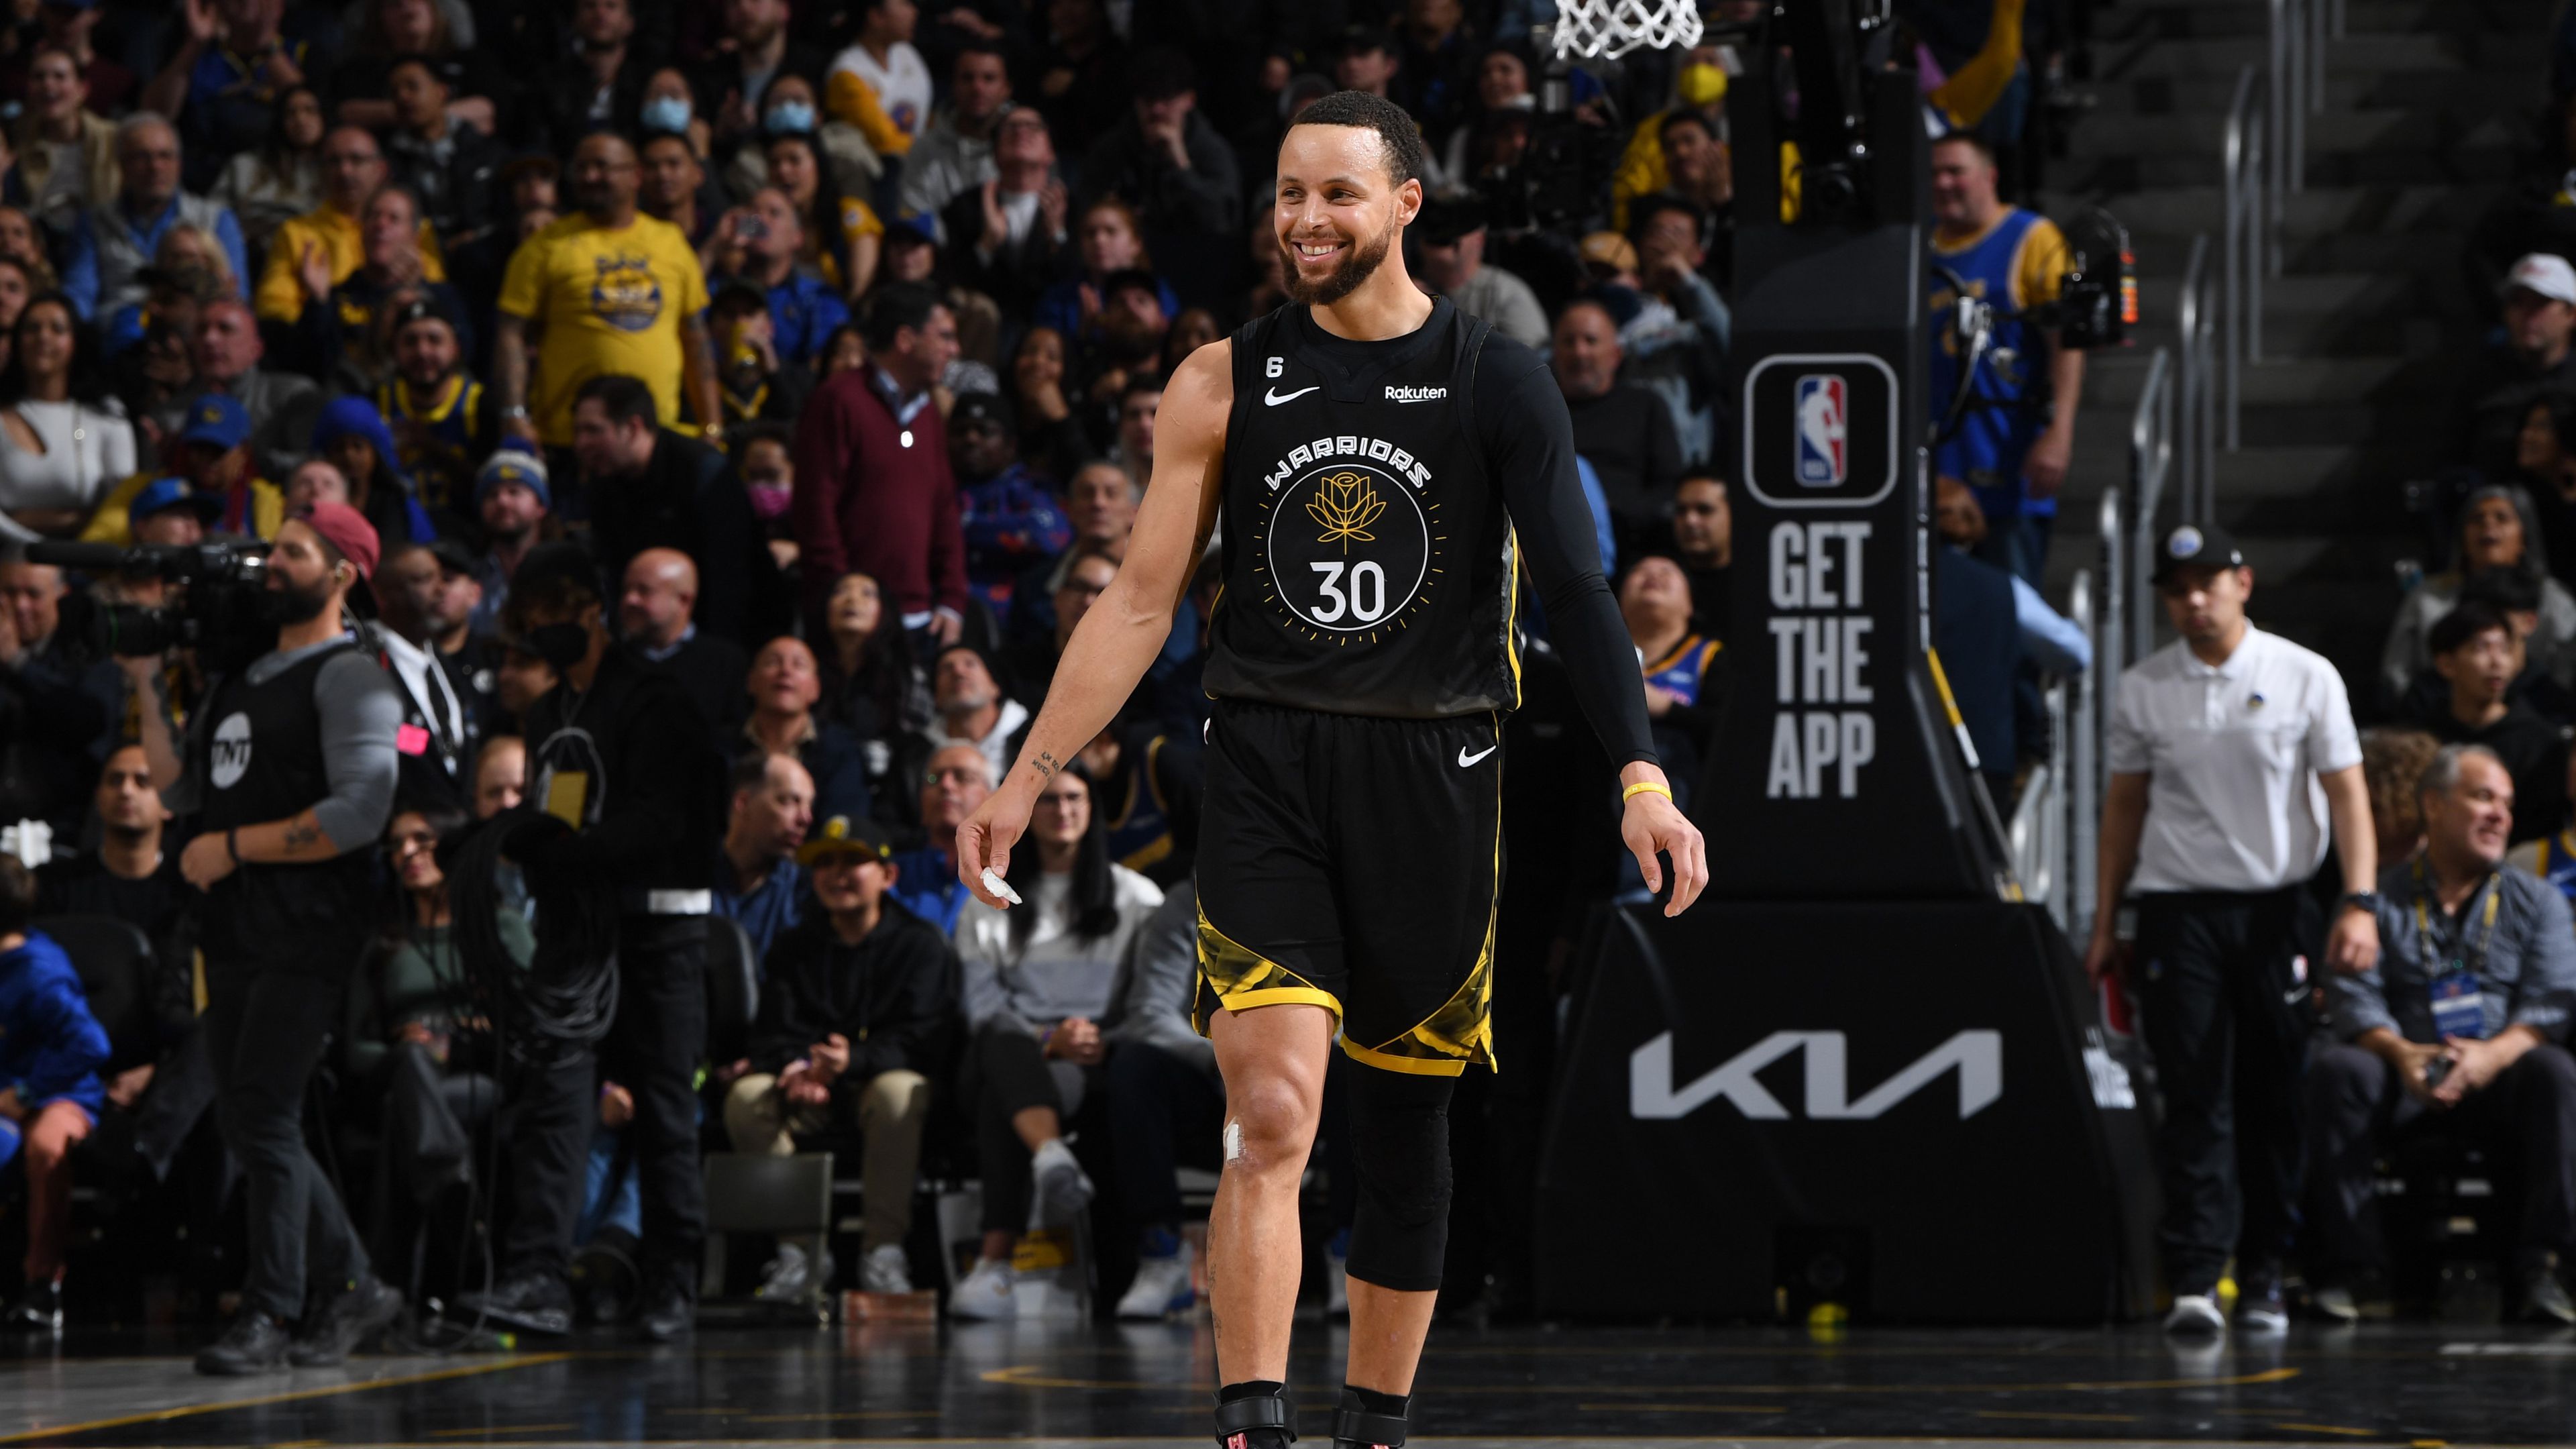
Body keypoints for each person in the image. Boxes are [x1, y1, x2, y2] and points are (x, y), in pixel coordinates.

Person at [955, 91, 1700, 1442]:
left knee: (1406, 1144)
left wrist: (1639, 774)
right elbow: (1136, 605)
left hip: (1436, 775)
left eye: (1338, 195)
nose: (1306, 219)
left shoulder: (1496, 375)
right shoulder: (1224, 377)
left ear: (1407, 205)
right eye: (1291, 193)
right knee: (1275, 1111)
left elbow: (1582, 595)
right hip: (1266, 768)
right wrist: (1024, 772)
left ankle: (1376, 1421)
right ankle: (1251, 1422)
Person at [125, 503, 407, 1375]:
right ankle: (358, 1288)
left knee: (267, 1115)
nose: (271, 564)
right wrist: (141, 678)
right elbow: (176, 792)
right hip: (235, 929)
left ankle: (272, 1312)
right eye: (273, 549)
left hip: (307, 928)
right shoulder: (244, 676)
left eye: (293, 552)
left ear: (343, 573)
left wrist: (235, 846)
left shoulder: (355, 675)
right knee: (252, 1123)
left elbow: (363, 811)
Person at [2088, 523, 2379, 1339]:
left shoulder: (2303, 674)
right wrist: (2109, 920)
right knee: (2191, 1091)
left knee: (2274, 1091)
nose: (2194, 599)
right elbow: (2123, 808)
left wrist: (2359, 900)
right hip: (2180, 908)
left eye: (2208, 582)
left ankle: (2265, 1273)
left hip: (2278, 903)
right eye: (2178, 588)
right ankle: (2194, 1272)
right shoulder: (2144, 686)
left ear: (2243, 584)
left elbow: (2349, 792)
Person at [460, 542, 723, 1344]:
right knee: (555, 1100)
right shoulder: (546, 716)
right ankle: (539, 1273)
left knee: (665, 1112)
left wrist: (559, 850)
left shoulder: (654, 700)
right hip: (577, 934)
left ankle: (673, 1279)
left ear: (590, 613)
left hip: (660, 929)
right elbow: (557, 815)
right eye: (527, 628)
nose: (544, 638)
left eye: (555, 621)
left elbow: (664, 823)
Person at [2310, 743, 2576, 1324]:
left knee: (2556, 1073)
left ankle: (2545, 1269)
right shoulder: (2378, 897)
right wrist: (2400, 1052)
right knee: (2339, 1070)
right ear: (2433, 804)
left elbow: (2553, 1000)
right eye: (2482, 797)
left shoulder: (2540, 901)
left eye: (2506, 803)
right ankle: (2358, 1270)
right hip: (2405, 1067)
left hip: (2498, 1072)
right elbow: (2354, 995)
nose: (2500, 815)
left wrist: (2491, 1056)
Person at [949, 761, 1163, 1319]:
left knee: (1008, 1092)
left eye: (1074, 799)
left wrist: (1100, 1039)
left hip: (1098, 1058)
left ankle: (996, 1262)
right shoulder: (990, 898)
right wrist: (1049, 1038)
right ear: (1025, 812)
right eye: (1048, 800)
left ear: (1091, 810)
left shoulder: (1136, 896)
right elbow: (981, 1007)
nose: (1062, 811)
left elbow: (1155, 1000)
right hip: (1016, 1053)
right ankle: (1048, 1155)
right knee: (1000, 1046)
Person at [724, 812, 951, 1297]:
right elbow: (771, 1032)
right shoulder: (793, 946)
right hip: (811, 1089)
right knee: (747, 1097)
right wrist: (799, 1068)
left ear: (888, 876)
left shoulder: (920, 946)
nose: (836, 874)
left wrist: (855, 1062)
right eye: (824, 864)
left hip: (878, 1082)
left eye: (853, 862)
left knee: (897, 1093)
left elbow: (926, 1038)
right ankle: (798, 1251)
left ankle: (882, 1251)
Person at [341, 800, 520, 1277]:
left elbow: (533, 1016)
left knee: (406, 1113)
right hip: (402, 1074)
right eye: (397, 844)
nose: (408, 852)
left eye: (422, 839)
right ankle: (454, 1196)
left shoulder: (499, 927)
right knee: (411, 1075)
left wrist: (462, 1036)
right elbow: (355, 1050)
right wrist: (405, 1052)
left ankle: (387, 1278)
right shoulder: (383, 945)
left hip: (478, 1077)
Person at [495, 133, 720, 456]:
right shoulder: (544, 246)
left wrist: (711, 425)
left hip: (655, 439)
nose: (589, 177)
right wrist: (513, 414)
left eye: (602, 167)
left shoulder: (672, 241)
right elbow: (511, 334)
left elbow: (696, 338)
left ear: (635, 176)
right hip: (569, 440)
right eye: (581, 168)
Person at [1926, 131, 2084, 586]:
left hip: (2009, 462)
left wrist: (2060, 431)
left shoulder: (2030, 237)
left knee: (2011, 611)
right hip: (1940, 470)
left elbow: (2066, 342)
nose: (1944, 183)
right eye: (1935, 173)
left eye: (1955, 171)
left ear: (1989, 175)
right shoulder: (1923, 251)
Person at [789, 282, 967, 645]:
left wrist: (951, 598)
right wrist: (841, 594)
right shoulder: (838, 400)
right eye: (945, 336)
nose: (955, 349)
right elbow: (815, 507)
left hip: (918, 620)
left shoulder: (929, 413)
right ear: (906, 339)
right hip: (849, 625)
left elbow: (944, 508)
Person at [572, 374, 772, 647]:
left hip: (728, 635)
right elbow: (615, 570)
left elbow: (731, 580)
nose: (581, 443)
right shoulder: (604, 481)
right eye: (578, 432)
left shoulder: (703, 472)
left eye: (593, 430)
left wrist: (718, 660)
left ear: (633, 427)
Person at [2381, 484, 2576, 709]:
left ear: (2525, 536)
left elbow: (2566, 674)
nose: (2488, 525)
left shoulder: (2553, 598)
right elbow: (2397, 674)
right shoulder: (2428, 596)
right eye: (2476, 518)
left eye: (2502, 518)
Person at [254, 125, 446, 329]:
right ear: (320, 171)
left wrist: (418, 287)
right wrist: (317, 315)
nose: (344, 171)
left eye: (356, 160)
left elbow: (440, 301)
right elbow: (272, 307)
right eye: (334, 161)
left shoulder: (416, 228)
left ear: (380, 169)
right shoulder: (295, 232)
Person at [63, 116, 249, 325]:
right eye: (142, 157)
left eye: (165, 156)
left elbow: (236, 296)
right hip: (118, 331)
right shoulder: (94, 222)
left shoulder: (217, 220)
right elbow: (80, 294)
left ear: (179, 163)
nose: (156, 166)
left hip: (195, 330)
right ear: (122, 165)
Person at [2420, 600, 2569, 845]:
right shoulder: (2425, 739)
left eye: (2504, 649)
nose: (2497, 662)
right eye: (2481, 649)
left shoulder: (2541, 743)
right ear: (2446, 664)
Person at [0, 292, 135, 543]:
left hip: (88, 562)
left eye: (57, 328)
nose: (43, 337)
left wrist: (24, 518)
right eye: (32, 328)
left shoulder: (106, 419)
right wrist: (37, 545)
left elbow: (119, 504)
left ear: (75, 342)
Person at [1552, 298, 1681, 555]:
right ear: (1554, 353)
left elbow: (1669, 486)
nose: (1580, 352)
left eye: (1591, 341)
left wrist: (1618, 513)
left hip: (1629, 542)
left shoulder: (1645, 406)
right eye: (1569, 341)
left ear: (1615, 355)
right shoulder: (1538, 410)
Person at [1076, 46, 1242, 241]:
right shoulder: (1110, 150)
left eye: (1166, 98)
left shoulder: (1212, 150)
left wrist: (1182, 167)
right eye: (1148, 100)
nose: (1157, 110)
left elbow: (1223, 222)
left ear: (1189, 100)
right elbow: (1087, 214)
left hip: (1196, 254)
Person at [945, 107, 1070, 322]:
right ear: (994, 154)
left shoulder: (1071, 208)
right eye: (1010, 127)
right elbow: (953, 282)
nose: (1021, 132)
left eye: (1034, 127)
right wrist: (986, 244)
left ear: (1051, 152)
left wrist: (1057, 236)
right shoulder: (965, 207)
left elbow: (1075, 281)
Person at [953, 391, 1071, 614]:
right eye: (961, 431)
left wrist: (958, 528)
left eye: (984, 431)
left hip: (1015, 621)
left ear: (1010, 445)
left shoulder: (1030, 487)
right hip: (948, 615)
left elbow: (1048, 536)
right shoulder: (939, 487)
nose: (971, 439)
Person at [2464, 254, 2576, 481]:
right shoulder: (2481, 383)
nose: (2528, 315)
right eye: (2518, 303)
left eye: (2540, 303)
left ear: (2571, 313)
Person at [621, 547, 750, 734]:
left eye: (644, 591)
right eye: (626, 590)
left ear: (684, 600)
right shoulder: (610, 661)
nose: (630, 600)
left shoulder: (726, 663)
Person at [744, 636, 871, 823]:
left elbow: (843, 823)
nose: (785, 671)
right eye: (773, 662)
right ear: (751, 681)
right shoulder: (720, 749)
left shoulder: (841, 751)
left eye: (799, 665)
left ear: (815, 688)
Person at [12, 43, 119, 239]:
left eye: (60, 76)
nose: (48, 85)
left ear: (82, 89)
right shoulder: (16, 141)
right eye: (39, 77)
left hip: (103, 242)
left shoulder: (115, 140)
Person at [900, 43, 1011, 230]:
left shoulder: (1026, 146)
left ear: (1006, 89)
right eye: (967, 78)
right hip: (942, 255)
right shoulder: (924, 149)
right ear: (953, 85)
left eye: (989, 79)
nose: (978, 88)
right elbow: (914, 218)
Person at [716, 751, 815, 958]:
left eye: (809, 805)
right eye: (789, 801)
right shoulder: (691, 875)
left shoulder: (803, 892)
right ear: (742, 802)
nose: (805, 818)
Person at [1414, 196, 1544, 347]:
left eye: (1457, 223)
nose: (1443, 233)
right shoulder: (1406, 291)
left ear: (1479, 239)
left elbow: (1529, 360)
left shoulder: (1505, 294)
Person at [213, 85, 325, 258]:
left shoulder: (337, 170)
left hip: (311, 254)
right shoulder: (244, 165)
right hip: (245, 253)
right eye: (291, 113)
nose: (301, 119)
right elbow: (213, 216)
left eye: (310, 110)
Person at [825, 0, 932, 162]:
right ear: (875, 15)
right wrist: (936, 150)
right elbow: (885, 143)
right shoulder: (847, 75)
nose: (914, 12)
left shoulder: (908, 54)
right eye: (905, 3)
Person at [467, 447, 549, 638]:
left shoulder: (565, 572)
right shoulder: (470, 576)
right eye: (492, 495)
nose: (502, 501)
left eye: (515, 492)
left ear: (541, 506)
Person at [1664, 474, 1730, 636]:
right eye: (1681, 510)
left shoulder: (1758, 584)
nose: (1690, 520)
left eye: (1704, 510)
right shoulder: (1661, 582)